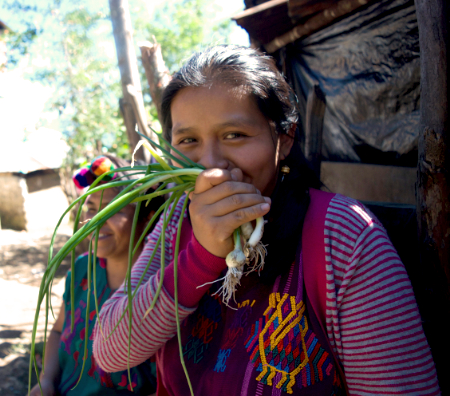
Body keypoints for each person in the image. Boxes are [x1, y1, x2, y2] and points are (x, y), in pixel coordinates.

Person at [92, 46, 440, 395]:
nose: (212, 166)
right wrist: (201, 256)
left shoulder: (345, 235)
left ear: (284, 138)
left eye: (235, 135)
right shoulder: (174, 224)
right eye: (188, 140)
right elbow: (109, 351)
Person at [29, 155, 163, 396]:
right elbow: (59, 330)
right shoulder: (82, 270)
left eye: (111, 209)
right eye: (90, 208)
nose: (95, 221)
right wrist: (46, 380)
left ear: (147, 216)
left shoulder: (164, 288)